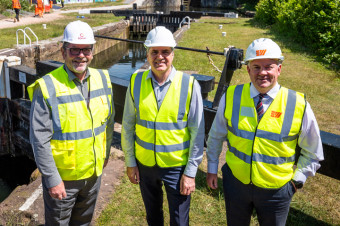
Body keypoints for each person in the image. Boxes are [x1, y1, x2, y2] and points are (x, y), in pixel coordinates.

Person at [206, 38, 324, 226]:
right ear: (248, 69)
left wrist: (297, 182)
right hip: (235, 184)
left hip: (276, 191)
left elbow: (313, 152)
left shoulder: (297, 104)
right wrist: (212, 169)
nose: (263, 73)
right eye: (256, 67)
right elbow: (215, 136)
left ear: (279, 69)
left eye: (269, 66)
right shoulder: (232, 96)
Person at [28, 20, 115, 225]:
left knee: (83, 222)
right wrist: (52, 178)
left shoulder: (103, 79)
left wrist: (105, 155)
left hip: (93, 175)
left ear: (93, 51)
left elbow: (108, 124)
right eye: (74, 50)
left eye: (86, 49)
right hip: (63, 180)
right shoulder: (48, 86)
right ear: (63, 52)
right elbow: (39, 138)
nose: (81, 55)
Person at [121, 26, 205, 225]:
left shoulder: (190, 84)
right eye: (154, 52)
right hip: (145, 164)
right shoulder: (136, 81)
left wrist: (191, 172)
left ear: (173, 54)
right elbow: (127, 125)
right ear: (147, 54)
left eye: (165, 52)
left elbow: (197, 132)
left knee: (179, 220)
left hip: (176, 166)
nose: (160, 57)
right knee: (153, 217)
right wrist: (131, 161)